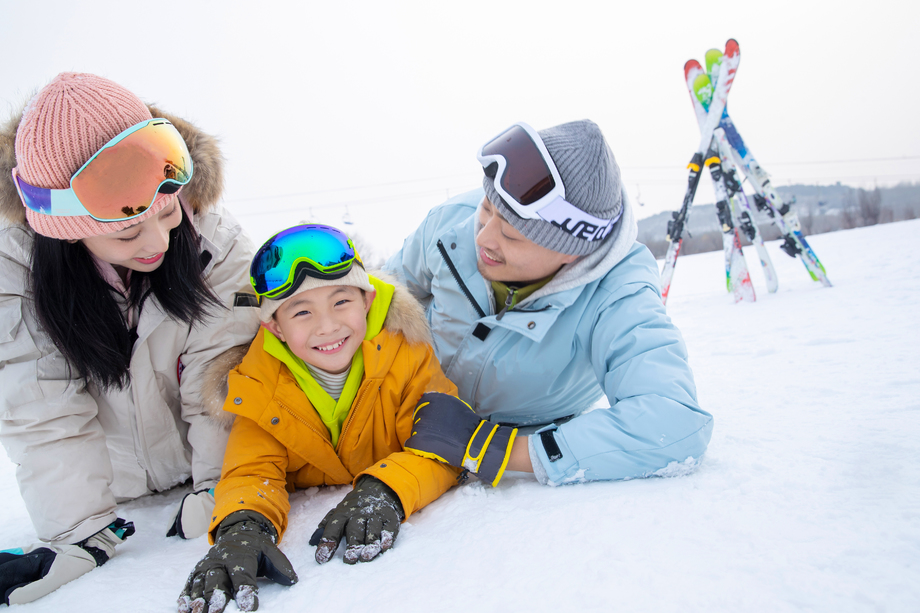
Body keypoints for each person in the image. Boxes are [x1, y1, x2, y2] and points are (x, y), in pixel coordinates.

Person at [0, 73, 261, 605]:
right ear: (66, 231)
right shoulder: (14, 263)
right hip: (113, 488)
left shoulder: (216, 239)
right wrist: (79, 532)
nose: (158, 241)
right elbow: (40, 401)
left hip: (200, 469)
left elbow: (223, 370)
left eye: (166, 213)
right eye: (127, 232)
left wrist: (223, 483)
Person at [388, 120, 714, 487]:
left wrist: (495, 448)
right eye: (487, 209)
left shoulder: (618, 291)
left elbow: (673, 424)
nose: (482, 237)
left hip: (514, 431)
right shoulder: (452, 221)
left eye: (511, 234)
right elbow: (380, 301)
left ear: (571, 252)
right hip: (402, 408)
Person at [179, 224, 461, 613]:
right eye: (302, 312)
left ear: (367, 300)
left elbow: (441, 442)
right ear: (274, 326)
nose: (327, 326)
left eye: (341, 301)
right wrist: (242, 526)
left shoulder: (407, 356)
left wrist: (385, 489)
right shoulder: (260, 384)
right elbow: (252, 469)